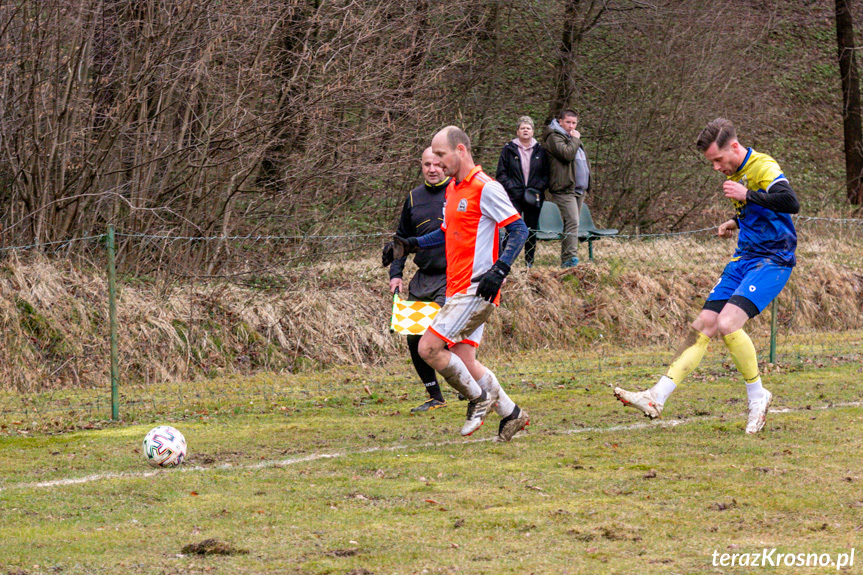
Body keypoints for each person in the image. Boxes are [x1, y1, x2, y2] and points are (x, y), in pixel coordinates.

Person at [613, 117, 799, 434]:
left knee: (727, 324)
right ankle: (656, 397)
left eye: (718, 159)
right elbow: (760, 210)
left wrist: (747, 194)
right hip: (744, 257)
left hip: (774, 259)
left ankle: (758, 396)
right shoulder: (738, 173)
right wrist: (735, 221)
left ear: (735, 147)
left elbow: (790, 202)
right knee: (703, 325)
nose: (716, 167)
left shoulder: (763, 166)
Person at [382, 126, 531, 442]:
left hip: (477, 289)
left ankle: (479, 399)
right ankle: (512, 414)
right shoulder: (453, 189)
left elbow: (519, 231)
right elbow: (444, 233)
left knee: (428, 347)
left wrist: (499, 270)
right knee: (465, 361)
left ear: (460, 150)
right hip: (456, 287)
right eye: (431, 156)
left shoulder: (485, 188)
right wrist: (407, 245)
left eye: (440, 154)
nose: (436, 161)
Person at [388, 148, 451, 412]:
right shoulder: (413, 197)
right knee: (414, 336)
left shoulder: (459, 192)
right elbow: (401, 238)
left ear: (446, 165)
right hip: (423, 277)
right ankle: (434, 396)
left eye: (438, 164)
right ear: (421, 166)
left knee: (446, 336)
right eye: (427, 164)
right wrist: (396, 274)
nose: (433, 169)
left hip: (453, 276)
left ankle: (467, 385)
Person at [496, 116, 549, 267]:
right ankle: (505, 262)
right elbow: (501, 173)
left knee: (531, 230)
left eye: (529, 128)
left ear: (533, 131)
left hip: (534, 196)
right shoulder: (508, 149)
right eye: (522, 128)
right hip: (514, 196)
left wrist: (537, 187)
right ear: (517, 131)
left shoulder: (541, 151)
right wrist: (512, 187)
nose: (525, 130)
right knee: (511, 229)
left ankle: (529, 263)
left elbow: (546, 174)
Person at [541, 109, 591, 267]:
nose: (571, 126)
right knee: (572, 221)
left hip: (578, 188)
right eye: (568, 122)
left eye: (574, 123)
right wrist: (575, 139)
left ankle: (569, 257)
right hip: (564, 187)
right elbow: (567, 154)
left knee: (572, 223)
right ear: (560, 121)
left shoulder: (570, 137)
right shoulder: (554, 136)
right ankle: (570, 259)